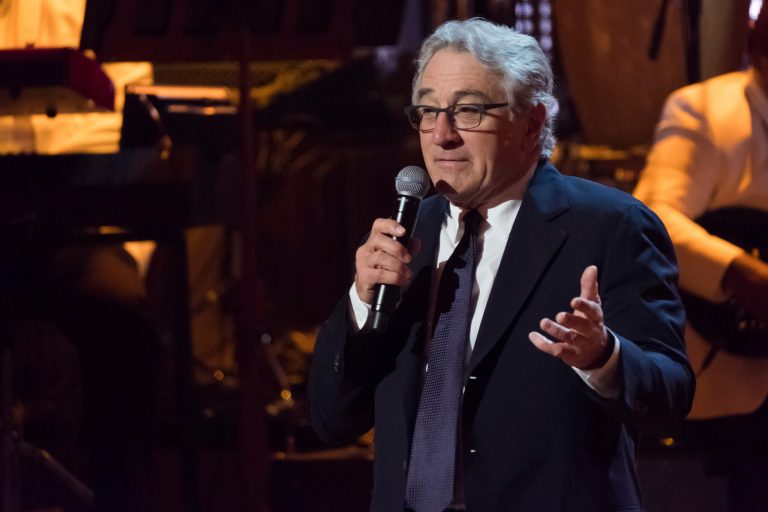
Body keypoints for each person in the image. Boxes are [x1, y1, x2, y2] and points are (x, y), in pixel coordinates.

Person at [309, 17, 694, 512]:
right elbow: (331, 419)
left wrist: (603, 357)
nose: (441, 135)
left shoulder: (610, 226)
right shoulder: (403, 235)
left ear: (532, 123)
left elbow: (670, 399)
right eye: (427, 111)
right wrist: (361, 307)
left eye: (468, 111)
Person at [633, 5, 768, 511]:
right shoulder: (703, 109)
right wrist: (738, 271)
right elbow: (653, 219)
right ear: (755, 43)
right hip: (728, 376)